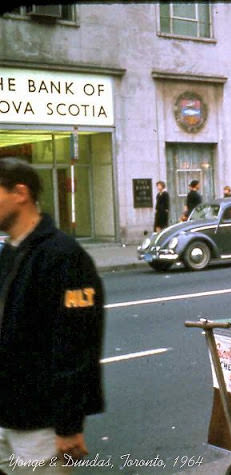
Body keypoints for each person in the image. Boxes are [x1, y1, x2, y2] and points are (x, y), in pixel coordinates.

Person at [0, 158, 104, 474]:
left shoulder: (64, 256)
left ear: (20, 193)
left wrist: (68, 425)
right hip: (5, 413)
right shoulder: (10, 252)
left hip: (38, 425)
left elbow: (76, 347)